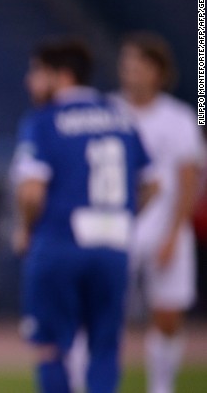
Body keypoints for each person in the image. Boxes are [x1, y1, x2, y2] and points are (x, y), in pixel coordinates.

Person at [10, 38, 153, 393]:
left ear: (62, 75)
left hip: (60, 242)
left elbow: (31, 192)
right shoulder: (121, 117)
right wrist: (125, 216)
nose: (30, 82)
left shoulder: (44, 121)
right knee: (105, 346)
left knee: (51, 346)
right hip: (113, 246)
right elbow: (152, 184)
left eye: (37, 72)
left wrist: (25, 229)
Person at [109, 32, 205, 393]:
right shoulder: (109, 110)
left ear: (157, 71)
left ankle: (161, 386)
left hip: (165, 225)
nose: (129, 71)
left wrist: (173, 234)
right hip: (117, 226)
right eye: (125, 63)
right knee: (105, 314)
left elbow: (187, 183)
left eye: (137, 64)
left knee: (167, 316)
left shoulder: (178, 120)